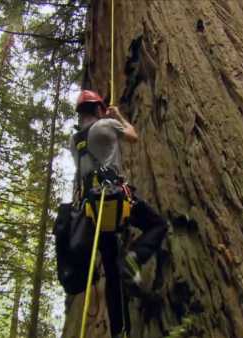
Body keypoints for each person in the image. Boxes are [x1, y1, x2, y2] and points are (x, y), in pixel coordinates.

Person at [70, 90, 167, 338]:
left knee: (112, 273)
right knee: (157, 225)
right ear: (99, 109)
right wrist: (119, 115)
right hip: (115, 198)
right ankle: (134, 258)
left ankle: (118, 332)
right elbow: (133, 136)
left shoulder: (74, 141)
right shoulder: (107, 124)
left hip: (92, 211)